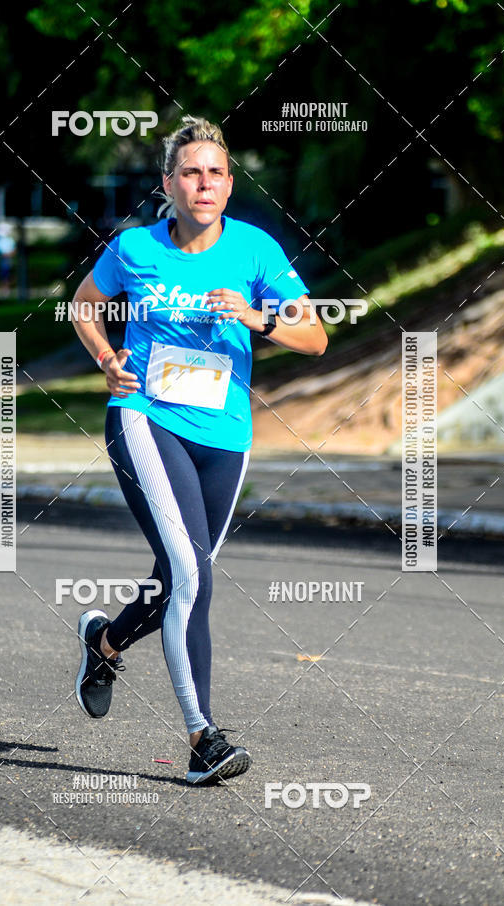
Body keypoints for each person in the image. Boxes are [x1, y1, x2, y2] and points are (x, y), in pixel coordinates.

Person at [70, 115, 328, 785]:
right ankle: (201, 738)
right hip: (145, 416)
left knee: (182, 573)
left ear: (229, 183)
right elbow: (83, 304)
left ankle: (104, 644)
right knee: (194, 578)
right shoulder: (134, 249)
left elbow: (316, 338)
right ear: (169, 184)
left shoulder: (254, 250)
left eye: (215, 172)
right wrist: (105, 357)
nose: (203, 183)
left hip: (225, 435)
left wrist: (257, 318)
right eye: (190, 172)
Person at [0, 222, 16, 298]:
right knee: (3, 277)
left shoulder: (10, 240)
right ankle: (3, 292)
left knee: (8, 277)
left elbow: (13, 251)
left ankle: (6, 291)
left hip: (8, 261)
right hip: (3, 261)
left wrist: (8, 254)